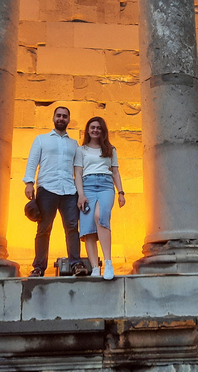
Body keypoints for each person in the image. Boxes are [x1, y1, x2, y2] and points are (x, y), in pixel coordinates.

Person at [23, 106, 89, 278]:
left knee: (72, 228)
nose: (61, 118)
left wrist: (81, 192)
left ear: (68, 120)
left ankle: (76, 264)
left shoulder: (74, 144)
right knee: (44, 228)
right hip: (47, 188)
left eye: (65, 116)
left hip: (69, 190)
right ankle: (39, 267)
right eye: (58, 115)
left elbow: (78, 170)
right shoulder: (41, 139)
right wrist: (29, 183)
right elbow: (32, 162)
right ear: (53, 118)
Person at [74, 116, 126, 280]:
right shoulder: (81, 150)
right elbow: (78, 173)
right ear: (88, 130)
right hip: (87, 185)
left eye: (99, 128)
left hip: (105, 184)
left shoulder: (110, 149)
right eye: (92, 127)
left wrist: (121, 192)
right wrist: (80, 194)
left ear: (103, 131)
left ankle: (108, 262)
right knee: (88, 227)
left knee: (101, 216)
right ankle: (95, 267)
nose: (95, 130)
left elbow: (116, 172)